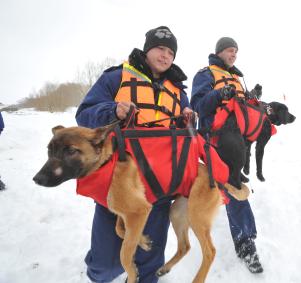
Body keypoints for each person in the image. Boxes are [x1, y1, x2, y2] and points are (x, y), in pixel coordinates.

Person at [75, 26, 193, 283]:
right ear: (147, 48)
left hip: (159, 190)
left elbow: (188, 132)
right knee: (105, 268)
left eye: (170, 52)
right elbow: (84, 114)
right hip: (118, 186)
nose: (164, 55)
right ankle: (101, 264)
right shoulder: (116, 77)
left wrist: (189, 119)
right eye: (160, 48)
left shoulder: (180, 92)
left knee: (148, 267)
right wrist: (112, 110)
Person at [190, 37, 264, 273]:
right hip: (216, 140)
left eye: (236, 52)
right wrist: (220, 93)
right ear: (220, 52)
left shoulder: (237, 78)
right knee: (232, 187)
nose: (234, 55)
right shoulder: (205, 75)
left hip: (238, 141)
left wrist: (252, 96)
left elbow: (241, 107)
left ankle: (225, 207)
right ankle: (245, 244)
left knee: (231, 185)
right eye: (230, 51)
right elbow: (198, 106)